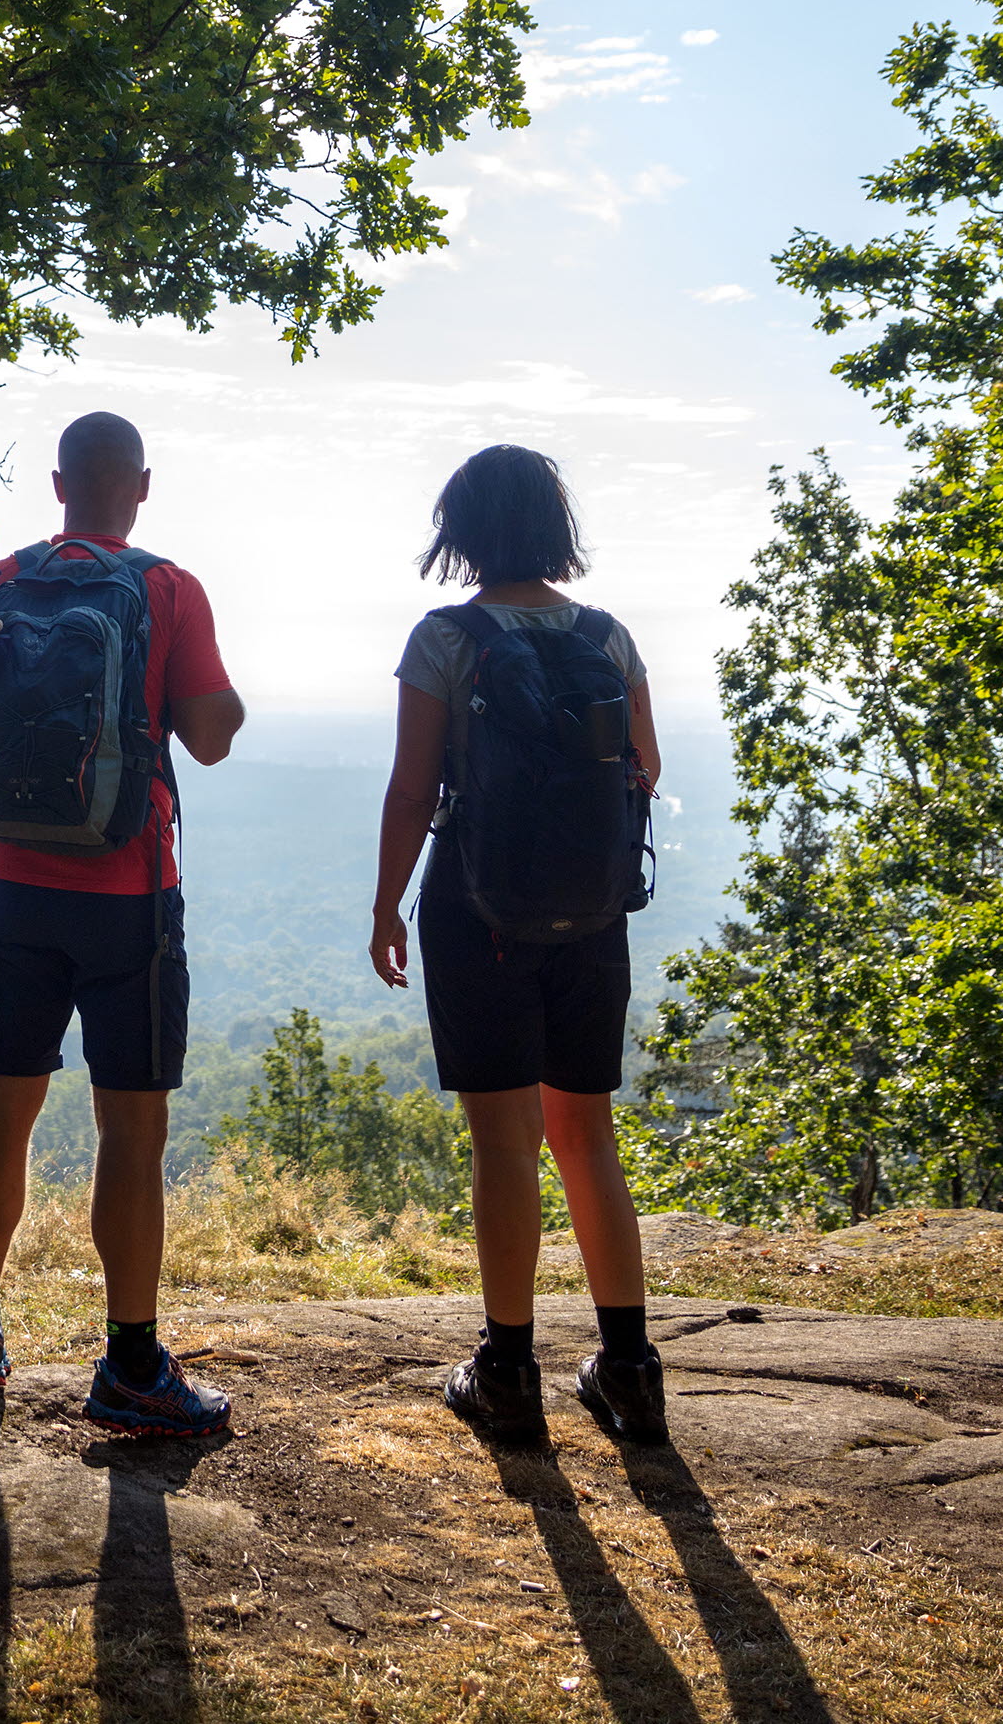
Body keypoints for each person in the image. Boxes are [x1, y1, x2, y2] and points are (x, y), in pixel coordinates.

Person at [0, 411, 246, 1434]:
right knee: (131, 1128)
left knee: (2, 1109)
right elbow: (209, 738)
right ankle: (129, 1360)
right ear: (141, 485)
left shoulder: (3, 579)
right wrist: (221, 703)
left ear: (58, 478)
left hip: (18, 881)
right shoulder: (165, 586)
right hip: (130, 897)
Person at [366, 444, 667, 1444]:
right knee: (587, 1138)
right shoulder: (607, 635)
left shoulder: (446, 637)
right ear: (553, 525)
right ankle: (627, 1369)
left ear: (464, 529)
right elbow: (644, 764)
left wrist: (385, 904)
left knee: (504, 1142)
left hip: (477, 912)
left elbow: (414, 788)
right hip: (592, 913)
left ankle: (506, 1368)